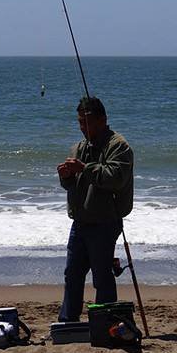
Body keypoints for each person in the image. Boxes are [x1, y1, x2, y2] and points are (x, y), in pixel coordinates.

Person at [57, 97, 134, 322]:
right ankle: (68, 322)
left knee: (102, 277)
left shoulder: (118, 146)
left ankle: (104, 322)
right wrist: (66, 177)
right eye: (80, 122)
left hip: (105, 221)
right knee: (72, 274)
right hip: (80, 220)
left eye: (88, 122)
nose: (84, 128)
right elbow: (72, 185)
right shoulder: (79, 148)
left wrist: (84, 168)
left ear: (103, 120)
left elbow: (115, 178)